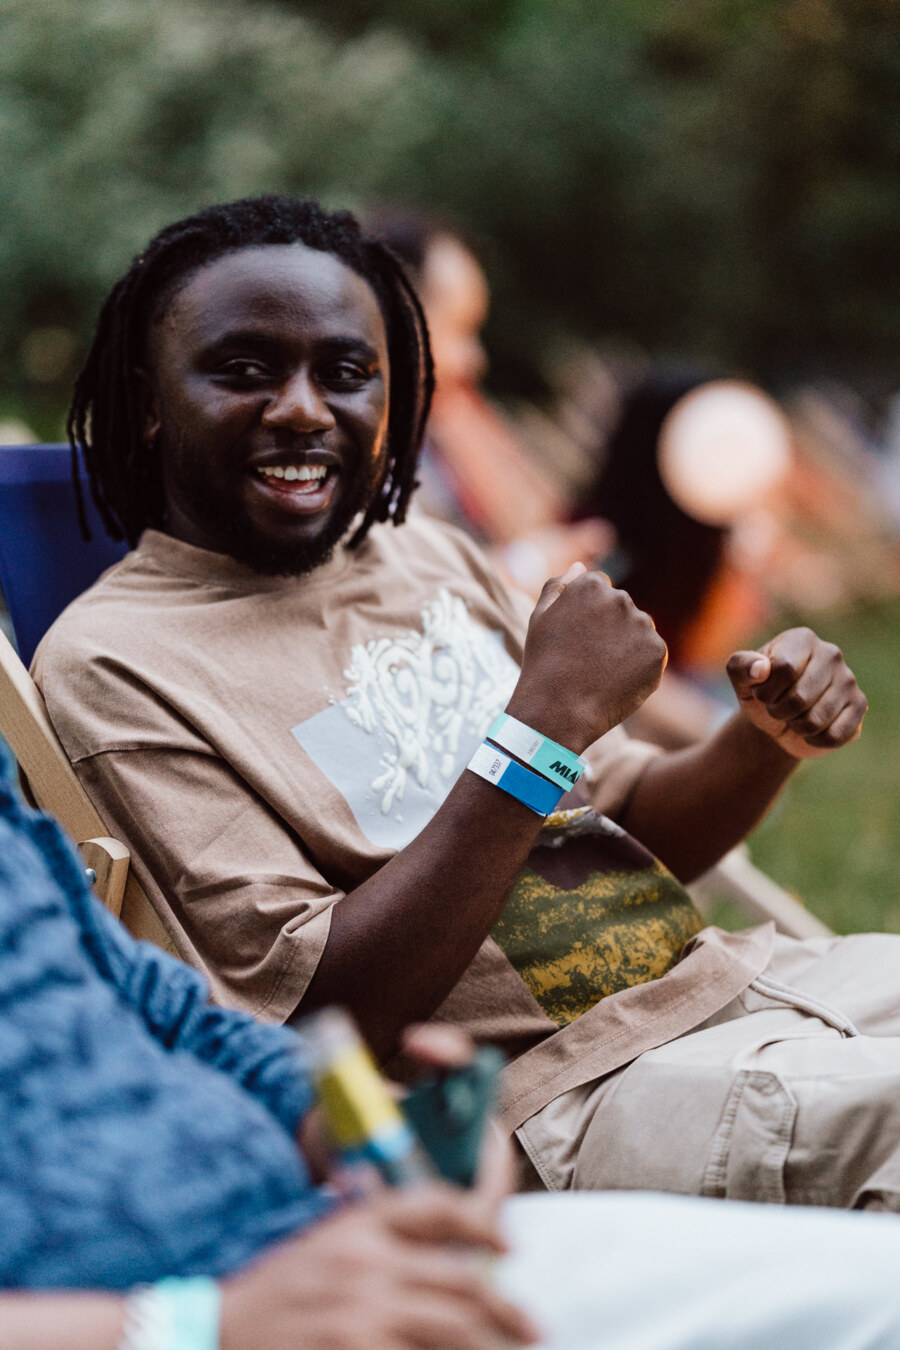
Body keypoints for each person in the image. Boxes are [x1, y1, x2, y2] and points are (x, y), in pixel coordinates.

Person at [35, 195, 896, 1214]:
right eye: (243, 370)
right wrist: (539, 732)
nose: (305, 408)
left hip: (750, 987)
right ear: (146, 398)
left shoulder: (424, 557)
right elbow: (321, 1017)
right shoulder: (117, 665)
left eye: (346, 373)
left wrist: (762, 742)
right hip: (563, 1098)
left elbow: (632, 826)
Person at [7, 740, 900, 1350]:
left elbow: (163, 1007)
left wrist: (359, 1122)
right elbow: (323, 994)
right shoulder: (125, 663)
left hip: (358, 1252)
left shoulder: (433, 557)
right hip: (190, 1312)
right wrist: (192, 1324)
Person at [368, 207, 609, 594]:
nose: (474, 359)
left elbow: (533, 517)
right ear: (397, 323)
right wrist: (527, 565)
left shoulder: (439, 427)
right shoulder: (359, 453)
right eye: (460, 330)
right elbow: (401, 593)